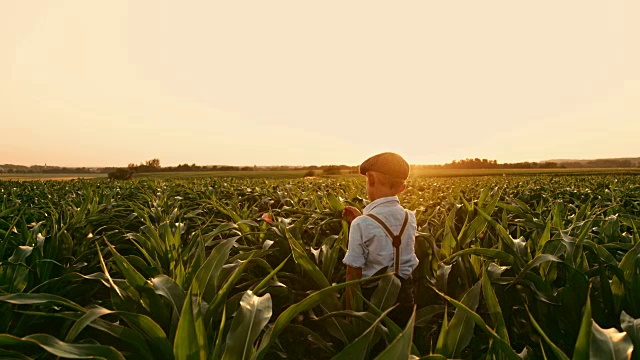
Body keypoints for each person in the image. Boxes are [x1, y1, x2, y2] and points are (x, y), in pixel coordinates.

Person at [342, 152, 419, 325]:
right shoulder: (410, 217)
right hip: (405, 293)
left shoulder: (361, 225)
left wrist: (350, 315)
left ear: (370, 180)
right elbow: (389, 239)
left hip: (374, 298)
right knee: (400, 341)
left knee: (376, 346)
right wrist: (360, 218)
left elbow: (352, 273)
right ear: (402, 188)